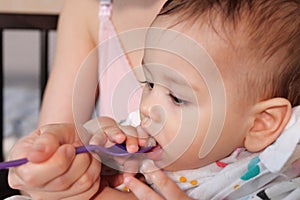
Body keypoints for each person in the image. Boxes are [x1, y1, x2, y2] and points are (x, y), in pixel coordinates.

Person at [7, 0, 300, 199]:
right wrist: (62, 164)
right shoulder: (137, 143)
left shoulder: (277, 177)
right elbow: (62, 164)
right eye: (147, 83)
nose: (144, 107)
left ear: (262, 124)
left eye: (176, 97)